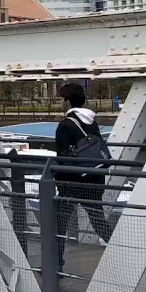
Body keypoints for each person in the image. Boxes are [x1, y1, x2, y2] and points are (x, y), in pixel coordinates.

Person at [53, 82, 115, 270]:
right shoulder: (91, 122)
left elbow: (62, 157)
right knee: (98, 222)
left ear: (67, 101)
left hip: (71, 184)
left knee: (58, 226)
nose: (59, 103)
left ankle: (55, 264)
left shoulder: (65, 125)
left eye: (60, 99)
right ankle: (123, 252)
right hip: (94, 180)